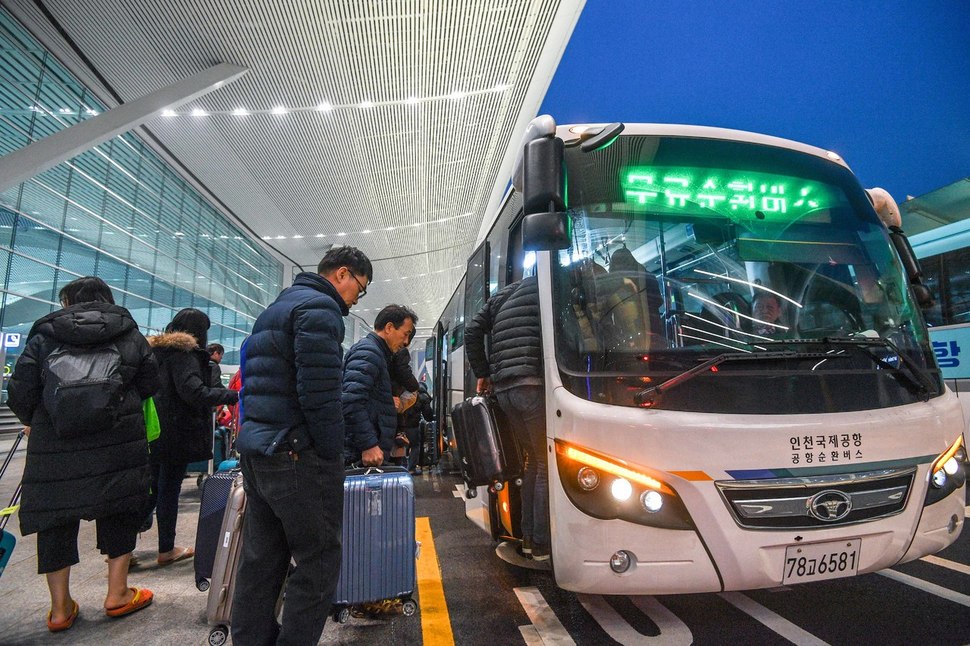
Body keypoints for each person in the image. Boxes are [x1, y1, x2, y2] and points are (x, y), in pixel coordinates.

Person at [231, 246, 371, 645]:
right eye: (358, 289)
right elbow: (321, 395)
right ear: (343, 274)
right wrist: (331, 453)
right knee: (319, 561)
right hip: (297, 456)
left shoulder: (275, 309)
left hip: (259, 453)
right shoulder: (320, 310)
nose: (354, 300)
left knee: (262, 562)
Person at [7, 276, 159, 631]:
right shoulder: (128, 333)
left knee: (55, 518)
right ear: (107, 298)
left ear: (68, 302)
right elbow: (151, 383)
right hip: (116, 439)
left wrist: (42, 419)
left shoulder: (45, 335)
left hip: (55, 444)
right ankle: (117, 594)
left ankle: (60, 609)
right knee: (119, 508)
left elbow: (21, 389)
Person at [464, 274, 549, 561]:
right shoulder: (549, 286)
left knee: (532, 462)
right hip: (532, 386)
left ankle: (527, 540)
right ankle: (541, 544)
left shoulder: (501, 295)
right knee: (546, 463)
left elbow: (471, 333)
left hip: (505, 390)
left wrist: (484, 373)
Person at [147, 308, 238, 566]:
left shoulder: (156, 353)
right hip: (176, 430)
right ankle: (166, 548)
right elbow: (193, 392)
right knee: (168, 489)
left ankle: (123, 550)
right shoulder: (185, 354)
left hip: (153, 428)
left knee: (152, 488)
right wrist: (234, 396)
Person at [343, 305, 418, 466]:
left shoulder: (377, 353)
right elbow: (351, 400)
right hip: (361, 452)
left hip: (366, 449)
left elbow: (365, 396)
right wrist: (368, 444)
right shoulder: (368, 353)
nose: (405, 341)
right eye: (405, 334)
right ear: (389, 327)